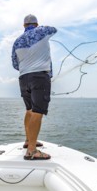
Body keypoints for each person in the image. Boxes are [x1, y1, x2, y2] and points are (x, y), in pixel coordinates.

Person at [11, 14, 57, 160]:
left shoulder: (17, 41)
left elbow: (15, 64)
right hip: (39, 77)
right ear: (36, 24)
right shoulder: (42, 31)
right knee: (37, 112)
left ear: (24, 25)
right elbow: (54, 29)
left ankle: (28, 141)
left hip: (24, 78)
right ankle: (32, 150)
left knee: (29, 110)